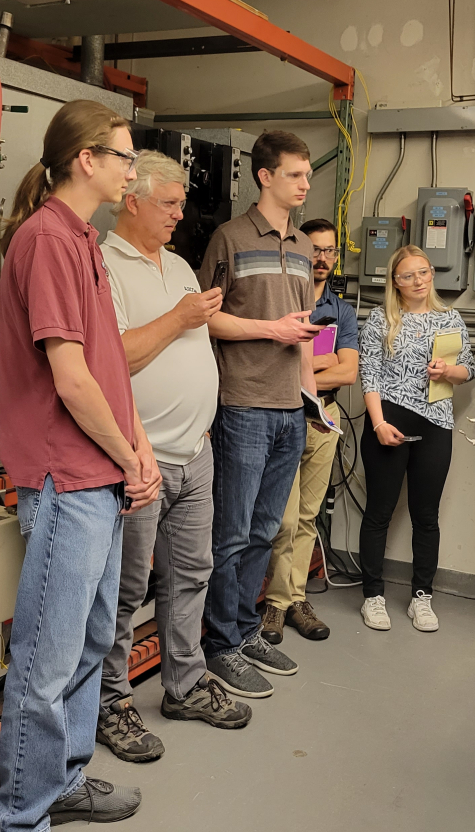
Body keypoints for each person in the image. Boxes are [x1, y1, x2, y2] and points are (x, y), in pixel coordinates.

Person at [0, 100, 161, 831]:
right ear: (86, 160)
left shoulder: (82, 240)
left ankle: (63, 779)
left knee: (90, 639)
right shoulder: (47, 240)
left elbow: (106, 368)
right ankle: (23, 811)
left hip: (102, 475)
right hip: (69, 475)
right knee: (46, 657)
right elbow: (70, 379)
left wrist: (138, 445)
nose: (133, 170)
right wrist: (128, 455)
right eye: (124, 157)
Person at [96, 152, 252, 764]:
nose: (180, 213)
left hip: (195, 452)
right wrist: (181, 315)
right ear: (131, 200)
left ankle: (183, 684)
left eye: (182, 202)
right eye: (169, 202)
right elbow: (117, 359)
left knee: (192, 576)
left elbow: (193, 346)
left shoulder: (184, 265)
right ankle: (110, 702)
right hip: (140, 460)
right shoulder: (104, 265)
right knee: (126, 590)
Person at [196, 130, 323, 699]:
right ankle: (220, 643)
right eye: (296, 175)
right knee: (231, 534)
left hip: (289, 409)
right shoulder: (229, 237)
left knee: (267, 530)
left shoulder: (300, 245)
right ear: (265, 176)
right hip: (242, 404)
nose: (306, 184)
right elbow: (204, 319)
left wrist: (311, 399)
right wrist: (269, 329)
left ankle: (246, 632)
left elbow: (301, 335)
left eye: (308, 175)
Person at [357, 245, 475, 633]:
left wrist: (450, 371)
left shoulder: (451, 318)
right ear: (395, 281)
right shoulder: (379, 319)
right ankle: (373, 595)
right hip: (388, 423)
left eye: (423, 273)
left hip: (436, 425)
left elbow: (469, 370)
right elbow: (369, 376)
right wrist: (377, 424)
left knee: (427, 516)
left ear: (431, 274)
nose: (418, 281)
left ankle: (421, 597)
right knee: (379, 512)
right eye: (408, 276)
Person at [261, 217, 359, 644]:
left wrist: (304, 366)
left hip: (325, 420)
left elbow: (350, 372)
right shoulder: (282, 301)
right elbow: (270, 366)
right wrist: (324, 363)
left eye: (329, 251)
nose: (322, 258)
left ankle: (290, 600)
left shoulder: (342, 310)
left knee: (305, 518)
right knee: (280, 520)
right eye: (314, 250)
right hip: (283, 418)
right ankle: (274, 604)